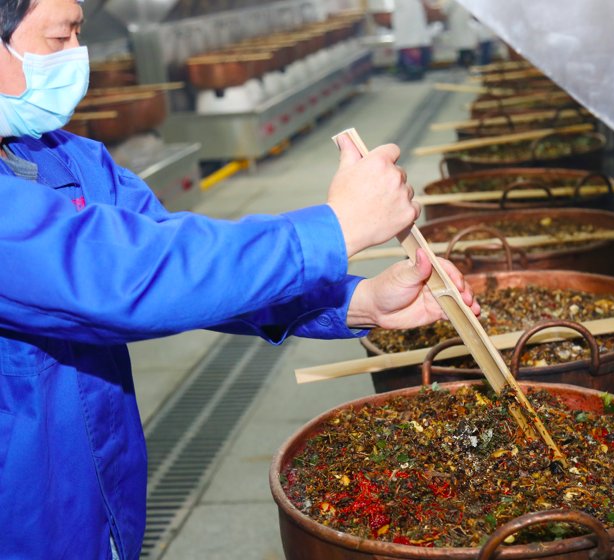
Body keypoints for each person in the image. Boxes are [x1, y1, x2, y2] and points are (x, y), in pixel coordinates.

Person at [0, 1, 479, 559]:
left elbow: (184, 261)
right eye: (60, 39)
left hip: (95, 507)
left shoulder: (61, 159)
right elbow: (125, 279)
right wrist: (334, 229)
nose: (76, 59)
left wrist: (357, 300)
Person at [392, 0, 432, 80]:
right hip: (406, 20)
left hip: (410, 21)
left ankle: (414, 72)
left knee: (412, 43)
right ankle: (411, 72)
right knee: (410, 43)